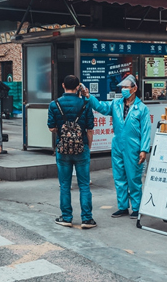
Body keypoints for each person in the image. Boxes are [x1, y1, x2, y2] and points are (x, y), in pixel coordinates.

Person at [82, 74, 151, 219]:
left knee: (134, 178)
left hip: (134, 147)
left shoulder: (142, 108)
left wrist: (144, 150)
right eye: (123, 87)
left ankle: (137, 208)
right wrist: (89, 97)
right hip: (118, 146)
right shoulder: (116, 104)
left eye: (126, 87)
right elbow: (101, 107)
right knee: (119, 178)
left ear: (134, 89)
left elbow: (146, 131)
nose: (124, 90)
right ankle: (123, 207)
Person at [47, 75, 96, 229]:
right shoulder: (85, 104)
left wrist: (64, 132)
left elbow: (51, 127)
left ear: (63, 85)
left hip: (63, 149)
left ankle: (66, 217)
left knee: (65, 185)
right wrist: (88, 145)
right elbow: (90, 129)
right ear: (77, 87)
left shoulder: (54, 104)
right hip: (81, 149)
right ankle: (87, 219)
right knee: (84, 186)